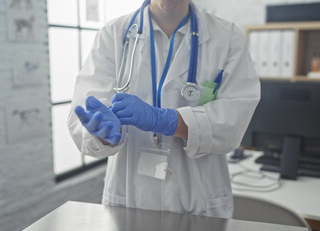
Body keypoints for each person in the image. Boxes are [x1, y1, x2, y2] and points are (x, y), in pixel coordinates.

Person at [68, 0, 260, 219]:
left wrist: (166, 120)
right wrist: (104, 135)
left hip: (200, 201)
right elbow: (87, 107)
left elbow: (233, 121)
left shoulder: (227, 37)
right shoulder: (113, 34)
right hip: (130, 201)